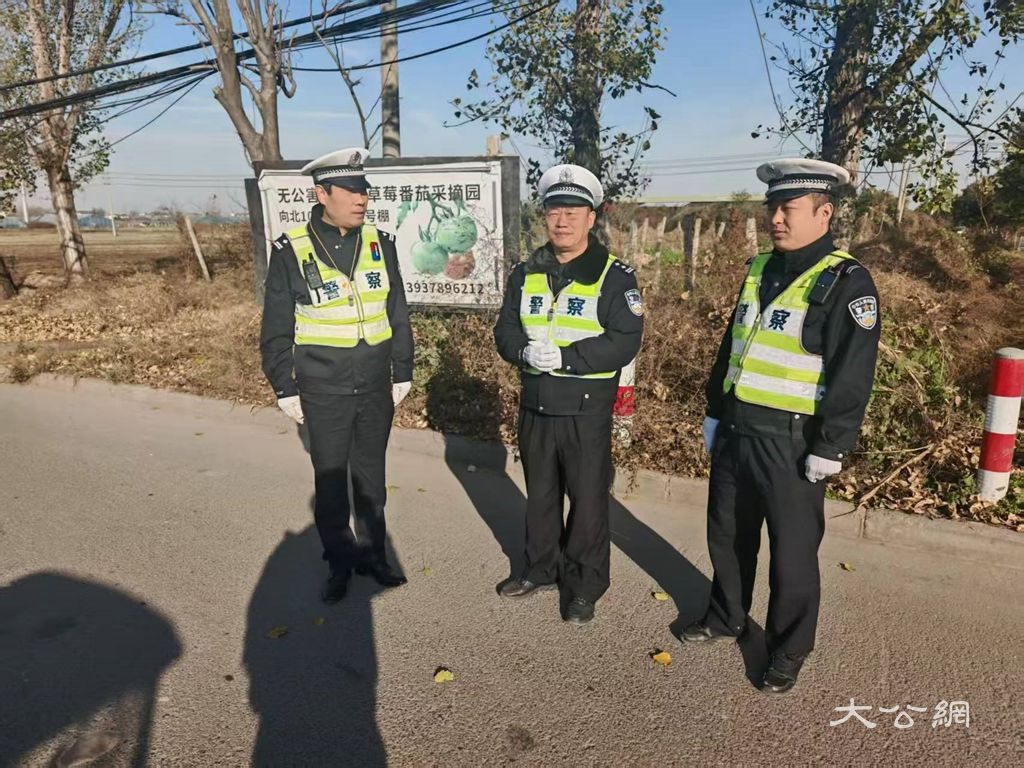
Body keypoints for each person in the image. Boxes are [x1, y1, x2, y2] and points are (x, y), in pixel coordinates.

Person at [682, 158, 881, 693]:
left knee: (792, 555)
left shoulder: (846, 281)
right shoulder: (759, 269)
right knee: (727, 535)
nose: (776, 218)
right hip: (738, 431)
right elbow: (734, 346)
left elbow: (852, 372)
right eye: (772, 207)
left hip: (793, 444)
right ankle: (726, 616)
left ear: (824, 212)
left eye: (787, 208)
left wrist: (833, 445)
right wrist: (715, 409)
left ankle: (788, 649)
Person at [259, 147, 414, 604]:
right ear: (321, 193)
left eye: (364, 190)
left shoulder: (380, 243)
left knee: (371, 477)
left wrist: (402, 369)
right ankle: (339, 561)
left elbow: (398, 311)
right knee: (331, 481)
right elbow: (276, 327)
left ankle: (374, 554)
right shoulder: (291, 249)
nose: (361, 198)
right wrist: (284, 385)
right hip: (323, 385)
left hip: (374, 383)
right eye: (350, 190)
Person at [493, 164, 644, 625]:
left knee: (587, 501)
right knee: (539, 496)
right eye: (554, 210)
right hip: (536, 404)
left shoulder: (614, 276)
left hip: (585, 411)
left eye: (573, 211)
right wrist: (524, 352)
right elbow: (505, 329)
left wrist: (565, 356)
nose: (562, 220)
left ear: (591, 218)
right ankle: (539, 569)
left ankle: (584, 585)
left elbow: (625, 338)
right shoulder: (526, 272)